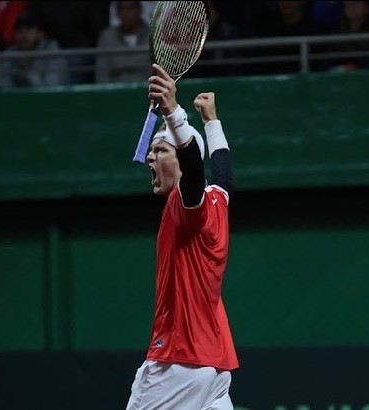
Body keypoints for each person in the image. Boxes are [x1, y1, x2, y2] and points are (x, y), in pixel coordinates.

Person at [125, 63, 238, 410]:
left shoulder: (188, 202)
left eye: (160, 150)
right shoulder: (218, 199)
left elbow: (194, 165)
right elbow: (224, 172)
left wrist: (174, 112)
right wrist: (212, 120)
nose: (150, 158)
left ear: (180, 159)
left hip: (177, 362)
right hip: (215, 369)